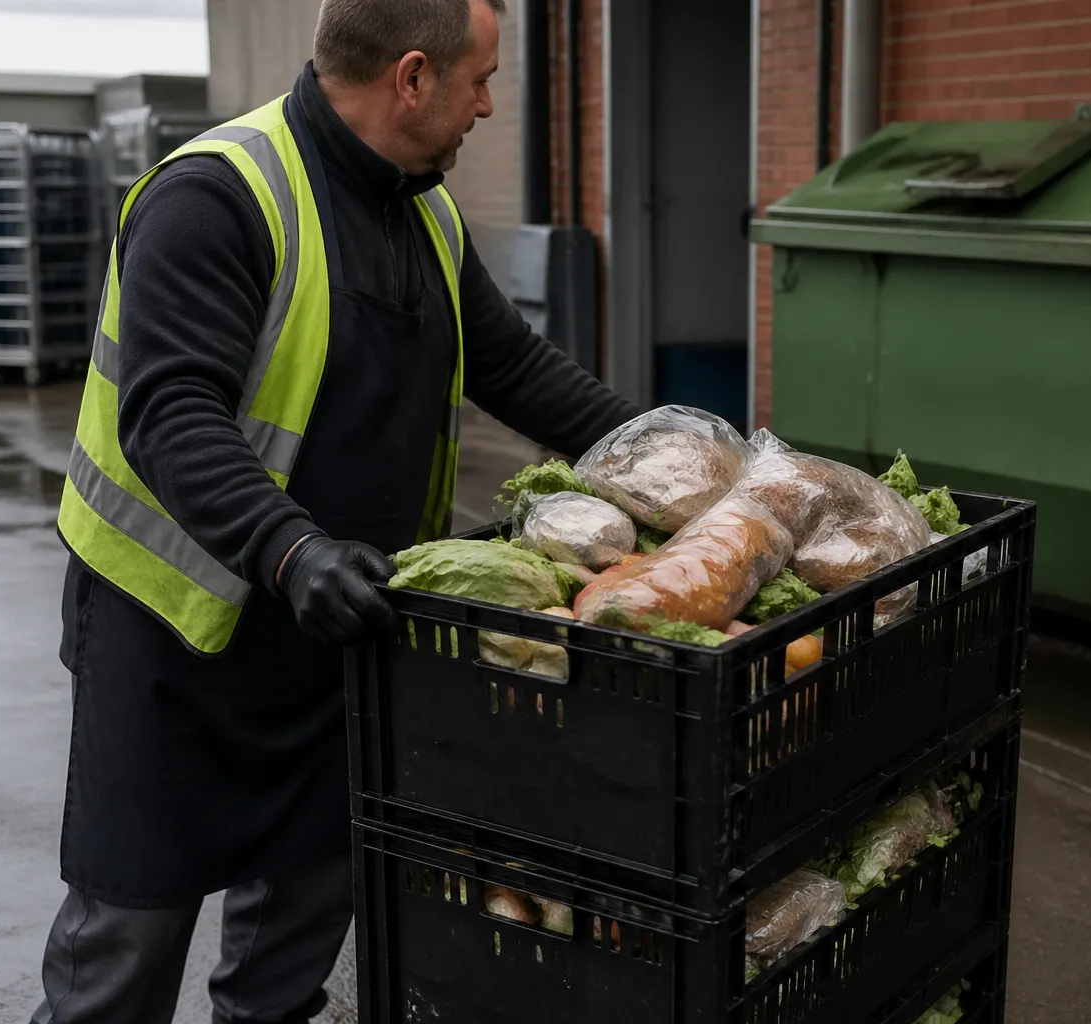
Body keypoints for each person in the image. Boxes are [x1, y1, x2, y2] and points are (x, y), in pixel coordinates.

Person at [32, 1, 637, 1021]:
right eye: (479, 80)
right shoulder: (217, 197)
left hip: (336, 632)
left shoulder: (421, 208)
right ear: (411, 77)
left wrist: (674, 455)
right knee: (122, 957)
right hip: (174, 642)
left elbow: (517, 369)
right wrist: (290, 547)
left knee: (292, 946)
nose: (488, 105)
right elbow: (171, 413)